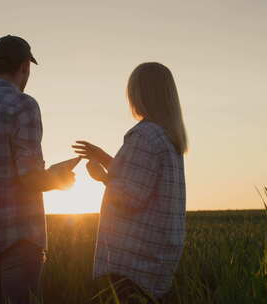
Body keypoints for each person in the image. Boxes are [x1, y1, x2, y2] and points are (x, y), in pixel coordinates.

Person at [0, 35, 75, 304]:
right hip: (18, 238)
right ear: (25, 67)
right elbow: (30, 178)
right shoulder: (23, 105)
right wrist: (60, 178)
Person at [73, 62, 188, 303]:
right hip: (158, 254)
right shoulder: (167, 135)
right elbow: (143, 178)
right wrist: (105, 159)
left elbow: (131, 196)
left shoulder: (144, 135)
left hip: (133, 256)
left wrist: (102, 177)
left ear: (139, 94)